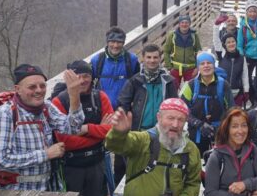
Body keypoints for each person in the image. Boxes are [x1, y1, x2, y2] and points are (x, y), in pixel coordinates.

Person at [52, 60, 113, 196]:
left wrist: (85, 129)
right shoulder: (59, 102)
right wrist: (98, 132)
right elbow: (64, 140)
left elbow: (111, 129)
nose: (83, 80)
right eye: (78, 76)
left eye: (87, 76)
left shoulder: (100, 97)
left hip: (96, 163)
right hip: (72, 167)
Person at [0, 64, 85, 191]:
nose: (39, 90)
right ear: (17, 89)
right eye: (32, 87)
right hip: (20, 193)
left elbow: (73, 128)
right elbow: (0, 160)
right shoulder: (4, 114)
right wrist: (45, 154)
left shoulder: (46, 107)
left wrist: (74, 96)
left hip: (50, 188)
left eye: (42, 85)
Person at [117, 44, 179, 185]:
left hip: (162, 132)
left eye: (155, 57)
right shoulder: (135, 81)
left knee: (160, 167)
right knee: (137, 167)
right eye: (148, 57)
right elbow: (122, 103)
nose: (152, 60)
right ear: (143, 59)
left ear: (160, 58)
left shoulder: (168, 81)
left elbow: (175, 105)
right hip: (140, 131)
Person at [179, 51, 233, 153]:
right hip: (196, 132)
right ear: (198, 67)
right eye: (202, 63)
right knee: (198, 162)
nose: (206, 66)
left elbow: (231, 109)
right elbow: (183, 110)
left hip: (219, 132)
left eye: (209, 63)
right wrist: (198, 124)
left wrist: (224, 125)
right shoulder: (191, 85)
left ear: (214, 65)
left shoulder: (224, 85)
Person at [91, 27, 140, 109]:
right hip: (102, 108)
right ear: (107, 42)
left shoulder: (132, 60)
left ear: (123, 43)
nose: (115, 45)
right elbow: (89, 83)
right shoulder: (97, 60)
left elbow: (138, 82)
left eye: (119, 42)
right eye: (112, 42)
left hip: (124, 108)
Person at [163, 14, 202, 88]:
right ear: (179, 24)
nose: (184, 24)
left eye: (186, 22)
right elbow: (166, 51)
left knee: (190, 89)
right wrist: (169, 67)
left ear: (190, 23)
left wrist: (197, 68)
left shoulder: (194, 35)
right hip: (175, 68)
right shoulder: (172, 35)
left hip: (191, 68)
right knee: (173, 89)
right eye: (182, 22)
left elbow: (199, 52)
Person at [218, 33, 250, 107]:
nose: (231, 44)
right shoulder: (221, 56)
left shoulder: (242, 58)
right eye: (228, 42)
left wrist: (246, 90)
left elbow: (245, 75)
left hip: (237, 92)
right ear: (224, 45)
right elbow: (216, 41)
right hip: (223, 91)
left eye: (233, 41)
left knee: (235, 114)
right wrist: (216, 26)